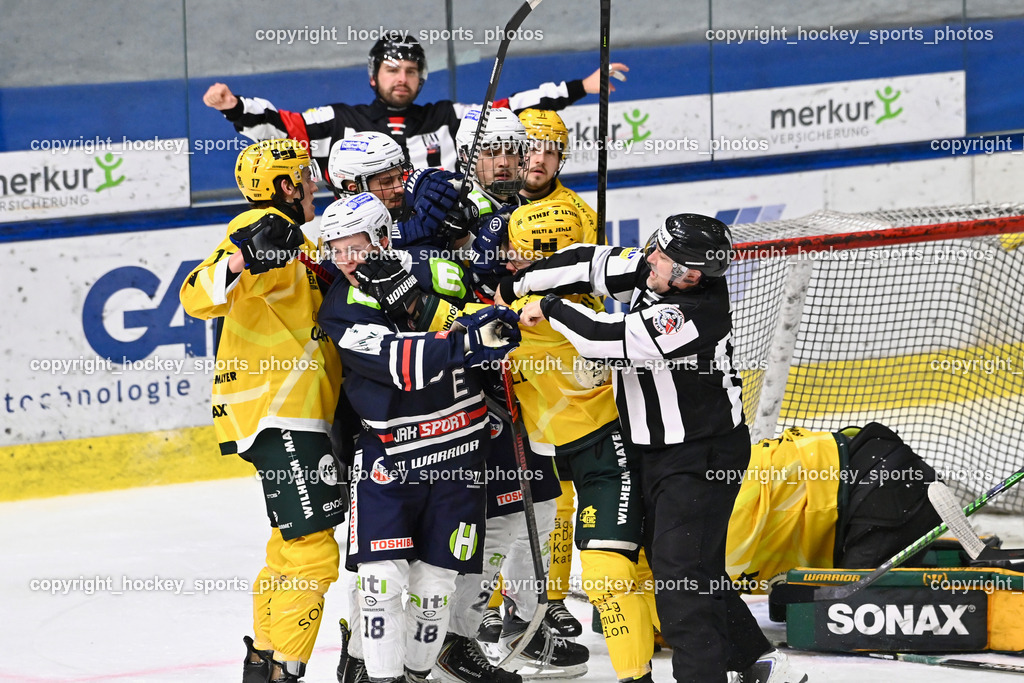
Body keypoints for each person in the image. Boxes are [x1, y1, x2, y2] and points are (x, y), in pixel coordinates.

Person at [495, 214, 809, 683]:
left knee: (680, 581)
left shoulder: (699, 311)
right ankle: (755, 659)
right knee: (685, 563)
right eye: (663, 256)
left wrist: (551, 308)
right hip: (648, 448)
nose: (657, 264)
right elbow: (588, 262)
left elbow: (606, 342)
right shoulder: (655, 268)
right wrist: (515, 282)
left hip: (701, 456)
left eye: (673, 263)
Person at [316, 191, 522, 683]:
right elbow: (401, 366)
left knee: (435, 587)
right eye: (336, 249)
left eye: (355, 246)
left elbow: (497, 320)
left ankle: (417, 677)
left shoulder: (438, 270)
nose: (346, 260)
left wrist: (420, 303)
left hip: (462, 456)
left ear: (384, 237)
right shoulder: (340, 307)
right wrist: (468, 341)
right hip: (392, 460)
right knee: (381, 581)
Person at [179, 139, 346, 683]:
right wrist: (240, 257)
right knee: (315, 551)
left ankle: (263, 665)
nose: (312, 184)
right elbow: (195, 295)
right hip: (282, 412)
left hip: (289, 413)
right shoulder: (260, 226)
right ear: (283, 186)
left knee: (289, 546)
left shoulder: (294, 239)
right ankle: (285, 672)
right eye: (303, 176)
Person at [501, 200, 658, 682]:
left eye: (528, 255)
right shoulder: (502, 317)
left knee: (611, 575)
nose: (515, 261)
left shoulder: (599, 324)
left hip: (606, 455)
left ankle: (648, 661)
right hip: (544, 459)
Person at [202, 31, 628, 174]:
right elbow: (282, 126)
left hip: (442, 249)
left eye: (410, 71)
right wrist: (234, 107)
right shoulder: (340, 120)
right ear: (374, 77)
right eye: (392, 70)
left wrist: (579, 87)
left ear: (421, 79)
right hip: (361, 252)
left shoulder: (445, 117)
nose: (401, 78)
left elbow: (509, 110)